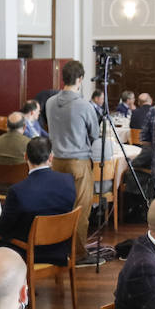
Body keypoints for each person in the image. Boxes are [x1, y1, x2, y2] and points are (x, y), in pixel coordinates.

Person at [46, 61, 103, 267]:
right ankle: (78, 253)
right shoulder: (83, 105)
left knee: (60, 207)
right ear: (80, 79)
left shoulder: (50, 102)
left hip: (57, 162)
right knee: (80, 209)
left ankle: (58, 248)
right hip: (78, 161)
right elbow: (95, 133)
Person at [0, 137, 76, 261]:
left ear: (25, 157)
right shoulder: (68, 180)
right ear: (51, 157)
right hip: (61, 248)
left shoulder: (17, 191)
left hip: (28, 251)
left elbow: (1, 229)